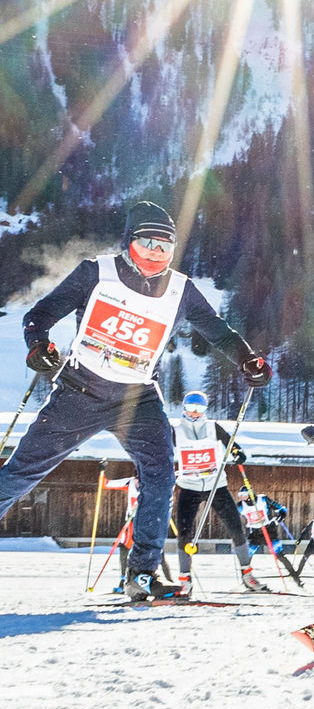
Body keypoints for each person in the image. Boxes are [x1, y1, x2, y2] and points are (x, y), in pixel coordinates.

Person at [0, 201, 271, 602]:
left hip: (138, 397)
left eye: (165, 246)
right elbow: (39, 315)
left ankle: (142, 574)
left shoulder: (180, 288)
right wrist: (38, 345)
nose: (156, 253)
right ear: (129, 243)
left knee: (161, 474)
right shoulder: (96, 272)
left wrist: (249, 358)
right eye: (147, 242)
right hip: (81, 389)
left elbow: (219, 332)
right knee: (23, 472)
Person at [171, 390, 270, 593]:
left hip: (216, 485)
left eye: (200, 408)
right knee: (184, 533)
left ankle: (247, 574)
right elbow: (161, 451)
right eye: (191, 407)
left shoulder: (212, 427)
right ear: (184, 408)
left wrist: (238, 453)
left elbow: (232, 445)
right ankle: (185, 580)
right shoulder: (176, 431)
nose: (195, 413)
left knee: (236, 527)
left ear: (205, 410)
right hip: (189, 487)